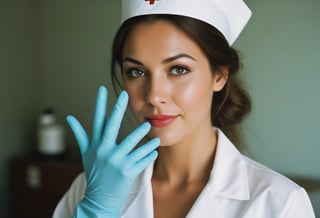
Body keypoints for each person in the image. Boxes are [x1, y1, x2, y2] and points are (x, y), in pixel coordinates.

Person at [53, 0, 315, 217]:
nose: (154, 95)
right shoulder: (92, 190)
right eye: (136, 71)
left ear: (219, 76)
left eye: (178, 69)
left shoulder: (280, 204)